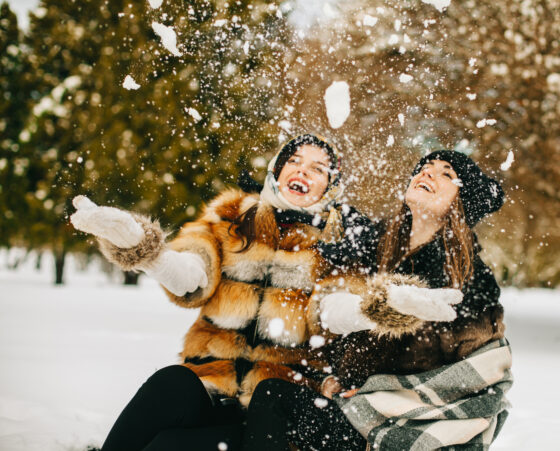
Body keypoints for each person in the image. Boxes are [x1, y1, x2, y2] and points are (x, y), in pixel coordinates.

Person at [70, 134, 376, 451]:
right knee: (170, 382)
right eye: (294, 161)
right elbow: (191, 275)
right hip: (210, 388)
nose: (301, 171)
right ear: (277, 169)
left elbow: (334, 309)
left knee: (165, 446)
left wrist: (376, 308)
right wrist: (145, 250)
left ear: (331, 185)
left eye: (317, 168)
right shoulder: (233, 217)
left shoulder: (339, 245)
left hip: (269, 414)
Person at [243, 150, 511, 450]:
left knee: (272, 398)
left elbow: (461, 370)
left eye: (446, 173)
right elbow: (329, 312)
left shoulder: (470, 277)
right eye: (424, 167)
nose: (427, 173)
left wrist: (375, 388)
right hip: (352, 408)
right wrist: (337, 373)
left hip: (403, 422)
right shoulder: (373, 242)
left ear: (461, 204)